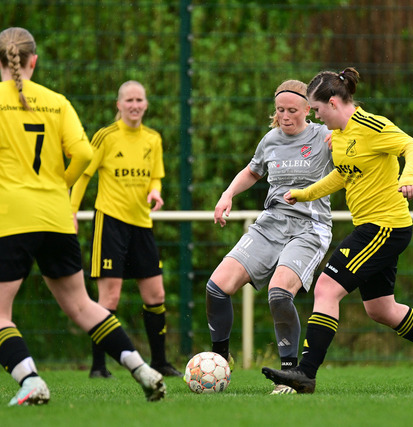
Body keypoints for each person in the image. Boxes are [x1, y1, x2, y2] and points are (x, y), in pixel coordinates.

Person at [261, 67, 413, 394]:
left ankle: (305, 373)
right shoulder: (339, 135)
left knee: (326, 288)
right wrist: (304, 193)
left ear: (333, 103)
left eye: (316, 109)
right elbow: (343, 175)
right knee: (381, 309)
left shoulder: (373, 127)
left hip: (385, 226)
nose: (315, 116)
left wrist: (409, 177)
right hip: (374, 227)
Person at [0, 27, 165, 405]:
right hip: (56, 215)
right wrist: (58, 185)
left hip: (12, 216)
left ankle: (30, 379)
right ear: (33, 61)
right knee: (82, 305)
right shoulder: (57, 102)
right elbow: (84, 155)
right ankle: (143, 369)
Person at [206, 79, 333, 394]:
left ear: (308, 109)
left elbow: (357, 151)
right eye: (280, 110)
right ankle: (219, 362)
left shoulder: (326, 136)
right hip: (272, 223)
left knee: (278, 293)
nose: (285, 116)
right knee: (216, 287)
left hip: (309, 227)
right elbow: (253, 171)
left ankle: (289, 374)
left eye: (292, 110)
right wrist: (227, 194)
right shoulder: (271, 140)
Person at [69, 80, 181, 378]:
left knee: (155, 294)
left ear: (146, 104)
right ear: (118, 105)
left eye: (139, 100)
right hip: (110, 223)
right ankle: (98, 367)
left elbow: (155, 177)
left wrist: (155, 191)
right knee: (110, 298)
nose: (134, 105)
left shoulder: (153, 139)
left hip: (142, 224)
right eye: (129, 100)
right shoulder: (105, 136)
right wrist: (71, 211)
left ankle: (160, 362)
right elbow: (83, 176)